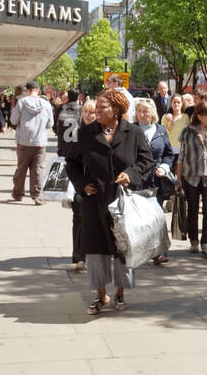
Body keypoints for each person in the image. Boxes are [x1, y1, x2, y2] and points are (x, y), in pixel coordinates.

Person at [64, 88, 153, 314]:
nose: (97, 110)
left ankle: (120, 294)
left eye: (102, 107)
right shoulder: (86, 133)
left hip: (122, 201)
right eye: (97, 107)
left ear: (116, 109)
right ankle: (101, 294)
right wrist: (83, 183)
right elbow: (71, 163)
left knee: (123, 247)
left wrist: (131, 175)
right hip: (94, 200)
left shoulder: (133, 133)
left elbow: (146, 160)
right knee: (95, 249)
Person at [176, 100, 207, 258]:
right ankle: (194, 241)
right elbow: (181, 157)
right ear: (199, 116)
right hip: (190, 176)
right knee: (192, 209)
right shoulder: (188, 131)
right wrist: (178, 178)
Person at [10, 81, 55, 205]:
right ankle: (37, 196)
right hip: (40, 142)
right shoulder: (46, 104)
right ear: (38, 90)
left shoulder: (21, 103)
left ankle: (18, 194)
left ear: (27, 90)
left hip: (23, 141)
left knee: (21, 168)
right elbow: (50, 124)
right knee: (38, 169)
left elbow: (13, 121)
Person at [66, 98, 97, 273]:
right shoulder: (78, 133)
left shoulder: (103, 133)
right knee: (78, 219)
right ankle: (79, 257)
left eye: (91, 112)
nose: (87, 115)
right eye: (85, 111)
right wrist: (82, 184)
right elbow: (71, 161)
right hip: (81, 185)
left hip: (98, 185)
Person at [135, 98, 175, 206]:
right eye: (139, 110)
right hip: (137, 181)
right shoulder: (131, 130)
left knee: (155, 217)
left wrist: (164, 167)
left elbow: (168, 154)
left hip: (156, 181)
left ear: (152, 112)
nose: (141, 114)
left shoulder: (161, 130)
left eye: (145, 111)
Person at [161, 93, 190, 172]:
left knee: (181, 173)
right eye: (174, 102)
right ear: (171, 103)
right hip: (170, 149)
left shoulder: (186, 117)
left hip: (182, 149)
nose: (176, 104)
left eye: (178, 102)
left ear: (182, 104)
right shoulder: (165, 117)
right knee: (170, 172)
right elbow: (163, 134)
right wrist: (170, 124)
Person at [55, 89, 82, 156]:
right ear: (77, 97)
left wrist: (57, 132)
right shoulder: (81, 109)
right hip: (76, 139)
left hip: (63, 139)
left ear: (68, 97)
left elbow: (55, 122)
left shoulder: (61, 107)